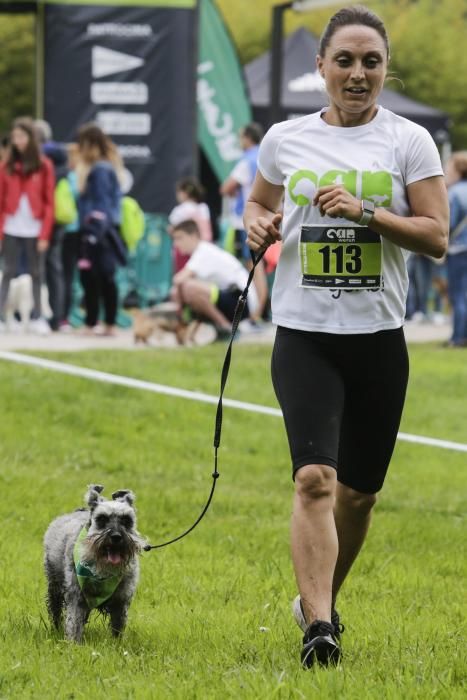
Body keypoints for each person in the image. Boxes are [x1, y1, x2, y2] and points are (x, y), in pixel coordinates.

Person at [244, 5, 448, 668]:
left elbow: (436, 237)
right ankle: (320, 628)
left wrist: (367, 211)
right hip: (303, 332)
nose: (357, 73)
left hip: (376, 337)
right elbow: (258, 201)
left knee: (357, 494)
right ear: (321, 67)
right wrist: (256, 225)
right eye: (344, 61)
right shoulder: (284, 138)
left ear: (384, 70)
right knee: (314, 478)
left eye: (370, 62)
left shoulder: (408, 141)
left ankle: (317, 600)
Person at [0, 117, 55, 334]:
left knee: (36, 272)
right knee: (8, 271)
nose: (18, 141)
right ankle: (3, 317)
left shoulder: (44, 166)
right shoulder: (7, 166)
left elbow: (50, 202)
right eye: (14, 137)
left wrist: (44, 234)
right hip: (11, 226)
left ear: (31, 138)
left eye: (21, 137)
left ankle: (37, 316)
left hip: (34, 226)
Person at [170, 219, 259, 339]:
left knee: (189, 288)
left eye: (179, 238)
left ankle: (226, 328)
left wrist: (179, 306)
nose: (176, 244)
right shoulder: (201, 251)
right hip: (234, 299)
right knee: (184, 290)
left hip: (243, 302)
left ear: (194, 236)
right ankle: (195, 328)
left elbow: (178, 280)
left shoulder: (203, 251)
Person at [76, 123, 126, 337]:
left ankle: (102, 323)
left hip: (99, 231)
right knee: (98, 276)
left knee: (99, 276)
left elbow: (102, 205)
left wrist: (94, 232)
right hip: (101, 229)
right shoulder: (104, 167)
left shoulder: (100, 170)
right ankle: (102, 322)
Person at [220, 123, 269, 322]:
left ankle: (257, 314)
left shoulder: (247, 159)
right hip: (268, 217)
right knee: (259, 266)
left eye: (241, 137)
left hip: (248, 222)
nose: (240, 142)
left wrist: (234, 192)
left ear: (248, 138)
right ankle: (260, 312)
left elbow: (226, 188)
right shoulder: (265, 156)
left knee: (255, 267)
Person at [35, 118, 69, 331]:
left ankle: (35, 315)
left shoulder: (39, 161)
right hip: (59, 220)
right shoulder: (63, 160)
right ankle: (58, 316)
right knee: (55, 268)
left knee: (34, 267)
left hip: (40, 220)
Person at [444, 152, 467, 347]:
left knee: (458, 294)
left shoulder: (454, 193)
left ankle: (458, 337)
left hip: (459, 250)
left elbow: (446, 224)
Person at [168, 176, 213, 272]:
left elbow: (171, 230)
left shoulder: (179, 210)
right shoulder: (203, 208)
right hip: (203, 248)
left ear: (184, 194)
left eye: (178, 193)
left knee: (183, 275)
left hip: (183, 250)